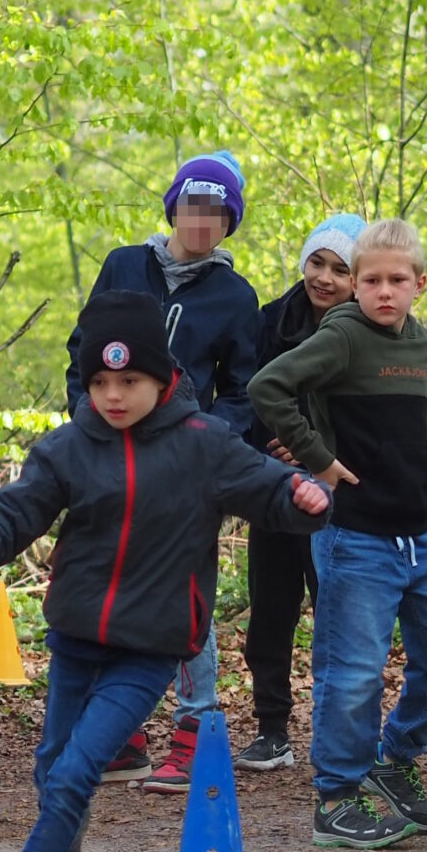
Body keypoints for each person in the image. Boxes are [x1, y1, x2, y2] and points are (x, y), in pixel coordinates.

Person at [0, 295, 329, 852]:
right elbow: (18, 508)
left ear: (163, 378)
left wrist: (300, 495)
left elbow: (269, 487)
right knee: (51, 768)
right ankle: (63, 849)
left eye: (128, 381)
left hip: (148, 649)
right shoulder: (69, 447)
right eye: (100, 383)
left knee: (71, 772)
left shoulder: (205, 444)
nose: (114, 396)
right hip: (76, 640)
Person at [249, 218, 427, 849]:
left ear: (419, 284)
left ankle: (394, 754)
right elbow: (269, 387)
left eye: (395, 280)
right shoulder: (342, 337)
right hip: (353, 537)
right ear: (355, 286)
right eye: (369, 279)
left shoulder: (424, 346)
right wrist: (318, 458)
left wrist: (420, 457)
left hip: (418, 536)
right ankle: (337, 797)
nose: (382, 291)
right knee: (353, 673)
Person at [66, 152, 266, 789]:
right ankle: (122, 736)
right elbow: (84, 348)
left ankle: (194, 727)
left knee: (183, 592)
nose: (201, 220)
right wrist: (83, 413)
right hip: (108, 444)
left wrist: (209, 439)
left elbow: (244, 388)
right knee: (108, 576)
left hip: (184, 461)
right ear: (174, 206)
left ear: (229, 221)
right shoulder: (126, 265)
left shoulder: (236, 296)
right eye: (193, 205)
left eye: (217, 211)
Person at [238, 212, 364, 773]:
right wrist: (273, 447)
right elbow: (247, 393)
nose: (325, 278)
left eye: (341, 269)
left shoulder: (370, 330)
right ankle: (271, 728)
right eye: (318, 262)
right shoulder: (269, 322)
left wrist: (316, 450)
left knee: (337, 608)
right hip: (275, 484)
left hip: (341, 490)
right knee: (271, 605)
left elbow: (373, 416)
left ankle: (342, 732)